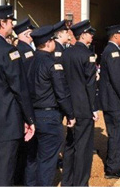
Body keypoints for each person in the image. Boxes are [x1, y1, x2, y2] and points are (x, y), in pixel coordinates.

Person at [28, 25, 76, 186]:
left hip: (31, 115)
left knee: (33, 158)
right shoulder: (52, 63)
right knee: (47, 161)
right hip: (49, 116)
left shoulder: (28, 61)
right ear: (48, 43)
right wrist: (70, 115)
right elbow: (61, 93)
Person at [0, 5, 36, 186]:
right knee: (5, 171)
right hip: (6, 121)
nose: (12, 24)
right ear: (2, 23)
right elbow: (19, 87)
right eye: (10, 21)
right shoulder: (7, 50)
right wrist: (29, 118)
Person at [61, 20, 98, 186]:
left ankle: (67, 181)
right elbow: (90, 84)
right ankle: (81, 183)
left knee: (70, 145)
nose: (92, 36)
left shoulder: (66, 53)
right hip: (83, 107)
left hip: (70, 105)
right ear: (83, 34)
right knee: (83, 147)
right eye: (90, 33)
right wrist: (94, 108)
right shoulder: (87, 54)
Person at [99, 24, 120, 178]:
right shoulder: (113, 52)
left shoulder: (109, 50)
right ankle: (113, 168)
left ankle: (113, 164)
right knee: (116, 134)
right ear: (115, 36)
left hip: (110, 100)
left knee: (114, 133)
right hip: (114, 101)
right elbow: (117, 79)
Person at [12, 17, 36, 185]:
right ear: (27, 34)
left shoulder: (22, 49)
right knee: (27, 148)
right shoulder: (24, 50)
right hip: (28, 103)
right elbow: (28, 80)